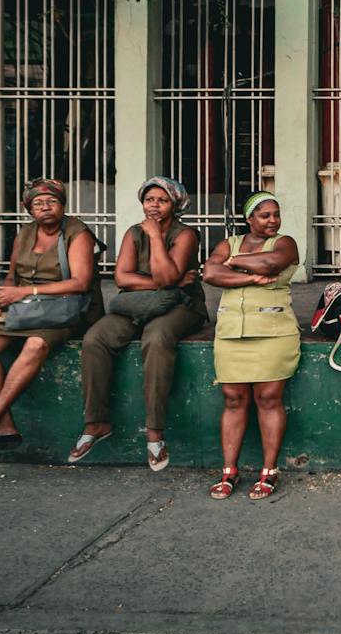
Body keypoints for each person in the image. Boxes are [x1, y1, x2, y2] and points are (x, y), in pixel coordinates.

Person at [0, 178, 104, 466]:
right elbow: (12, 276)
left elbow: (80, 282)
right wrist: (0, 300)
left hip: (64, 311)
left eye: (52, 201)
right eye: (38, 203)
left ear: (62, 205)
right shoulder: (25, 234)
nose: (45, 207)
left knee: (34, 345)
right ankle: (5, 426)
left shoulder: (77, 233)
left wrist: (26, 291)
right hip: (25, 309)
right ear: (29, 209)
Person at [72, 176, 208, 470]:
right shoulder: (134, 233)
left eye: (162, 200)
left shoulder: (186, 235)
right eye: (149, 200)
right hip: (138, 305)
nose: (154, 206)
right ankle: (96, 422)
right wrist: (163, 282)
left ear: (175, 204)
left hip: (183, 306)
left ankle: (155, 432)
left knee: (156, 338)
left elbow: (169, 279)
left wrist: (157, 239)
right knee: (96, 338)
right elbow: (122, 278)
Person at [203, 192, 301, 501]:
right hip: (231, 333)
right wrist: (249, 277)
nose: (273, 220)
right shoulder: (227, 242)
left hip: (273, 333)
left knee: (269, 397)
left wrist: (233, 265)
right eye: (264, 215)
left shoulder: (285, 243)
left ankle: (269, 471)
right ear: (249, 220)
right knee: (233, 398)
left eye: (276, 214)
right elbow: (210, 273)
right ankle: (229, 471)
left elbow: (272, 263)